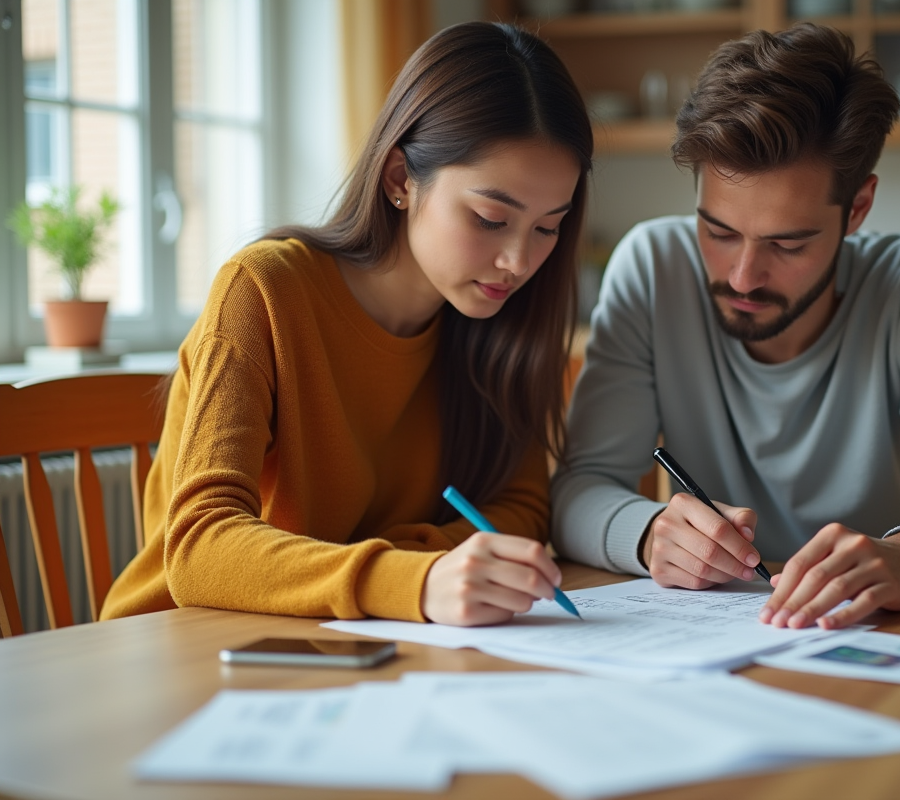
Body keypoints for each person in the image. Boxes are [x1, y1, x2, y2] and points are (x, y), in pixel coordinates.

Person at [551, 22, 900, 631]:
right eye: (719, 231)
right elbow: (580, 489)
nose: (742, 276)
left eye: (787, 243)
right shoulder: (652, 269)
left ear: (857, 208)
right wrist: (649, 531)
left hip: (877, 642)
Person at [101, 21, 592, 627]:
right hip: (188, 643)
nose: (519, 261)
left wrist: (411, 579)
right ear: (399, 180)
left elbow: (519, 509)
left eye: (548, 227)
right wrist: (411, 578)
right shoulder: (264, 290)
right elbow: (200, 547)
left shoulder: (498, 322)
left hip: (356, 640)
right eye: (491, 218)